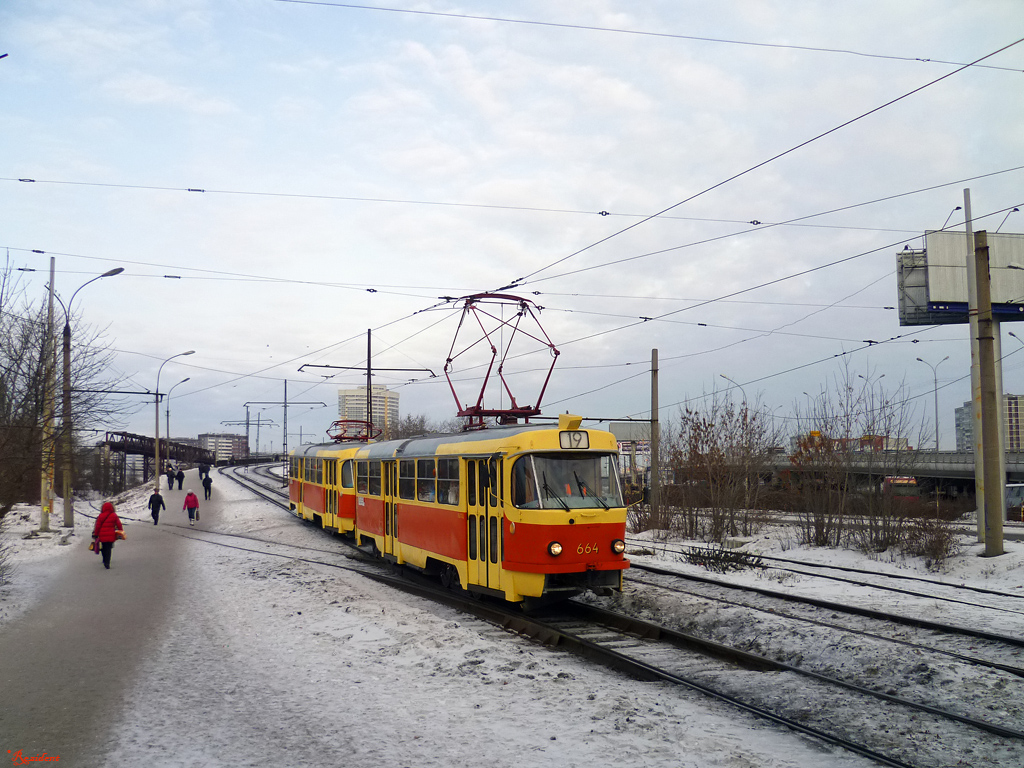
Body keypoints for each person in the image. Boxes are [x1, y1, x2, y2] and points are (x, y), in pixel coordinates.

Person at [92, 501, 124, 570]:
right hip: (111, 535)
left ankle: (104, 559)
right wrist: (121, 531)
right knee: (109, 549)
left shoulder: (100, 516)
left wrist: (96, 534)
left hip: (102, 535)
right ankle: (107, 562)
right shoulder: (114, 515)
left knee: (103, 548)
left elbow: (97, 526)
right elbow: (119, 524)